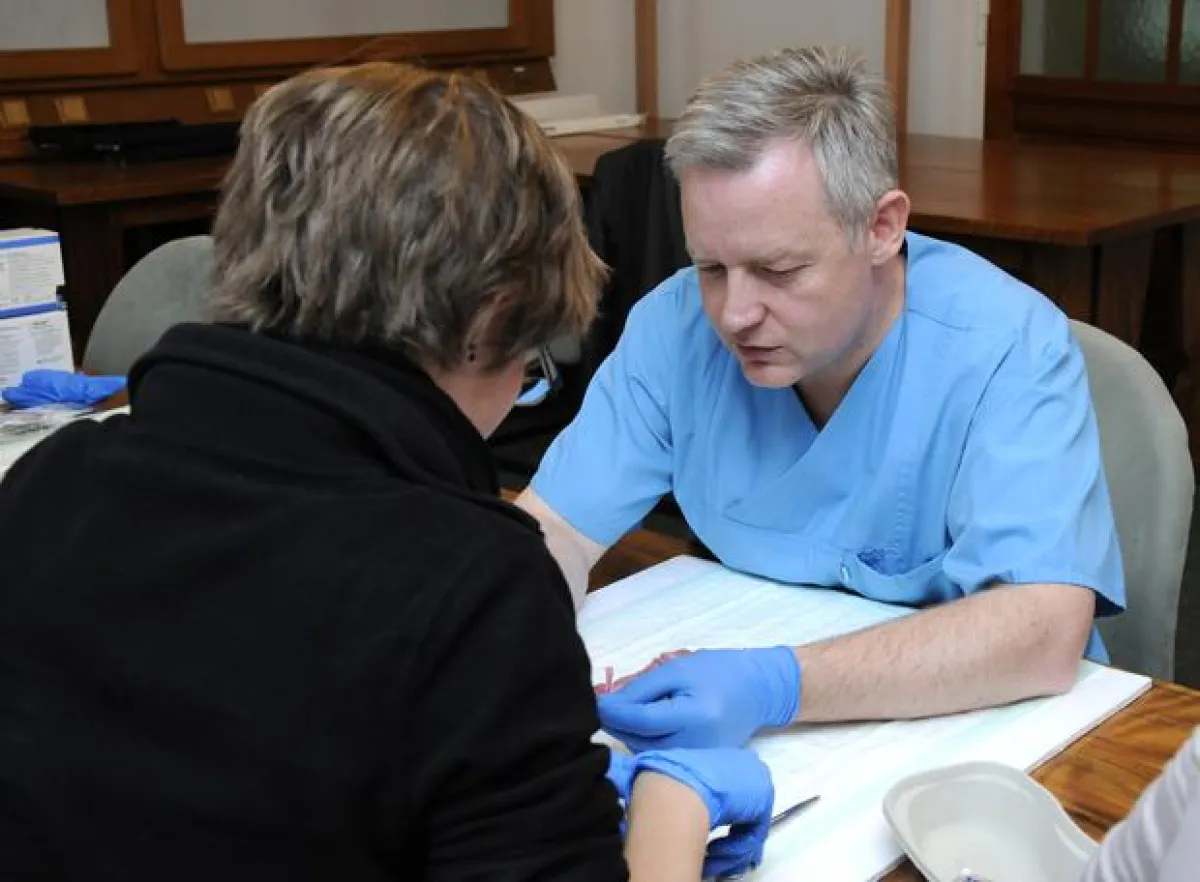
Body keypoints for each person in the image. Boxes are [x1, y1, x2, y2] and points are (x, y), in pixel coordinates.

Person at [0, 63, 774, 881]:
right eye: (532, 357)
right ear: (491, 317)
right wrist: (673, 807)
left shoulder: (47, 484)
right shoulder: (472, 587)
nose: (521, 386)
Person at [517, 46, 1125, 751]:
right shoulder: (675, 326)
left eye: (778, 269)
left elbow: (1043, 629)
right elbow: (554, 529)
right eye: (710, 266)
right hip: (782, 728)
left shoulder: (1006, 348)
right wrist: (509, 638)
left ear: (881, 227)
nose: (734, 314)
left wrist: (776, 686)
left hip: (988, 731)